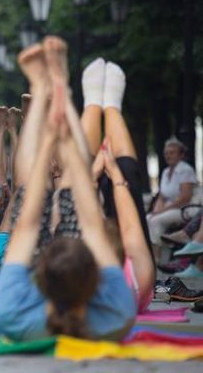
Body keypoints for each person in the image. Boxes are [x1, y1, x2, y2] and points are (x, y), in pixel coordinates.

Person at [0, 38, 136, 341]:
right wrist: (64, 137)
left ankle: (46, 87)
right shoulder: (115, 314)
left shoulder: (15, 314)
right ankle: (60, 89)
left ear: (40, 278)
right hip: (69, 280)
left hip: (48, 292)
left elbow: (31, 225)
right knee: (63, 198)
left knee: (30, 193)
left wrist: (49, 143)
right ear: (95, 282)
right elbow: (92, 225)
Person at [81, 57, 155, 313]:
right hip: (132, 280)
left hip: (79, 267)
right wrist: (112, 172)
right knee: (123, 172)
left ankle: (94, 104)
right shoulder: (135, 281)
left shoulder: (70, 276)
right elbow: (132, 230)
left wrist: (90, 176)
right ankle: (110, 106)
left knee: (79, 171)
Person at [147, 137, 198, 261]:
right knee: (148, 218)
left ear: (181, 155)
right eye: (166, 153)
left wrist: (162, 211)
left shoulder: (185, 170)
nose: (168, 156)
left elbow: (185, 197)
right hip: (170, 207)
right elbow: (162, 196)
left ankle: (157, 256)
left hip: (184, 208)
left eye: (172, 153)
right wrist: (157, 208)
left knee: (155, 221)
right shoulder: (165, 172)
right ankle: (157, 253)